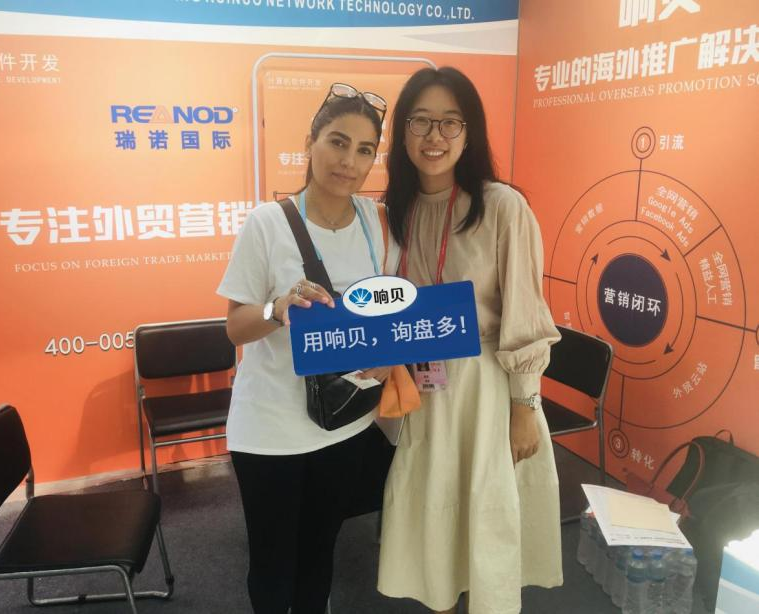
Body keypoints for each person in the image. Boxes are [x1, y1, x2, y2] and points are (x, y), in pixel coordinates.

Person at [377, 67, 563, 614]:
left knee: (485, 513)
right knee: (433, 513)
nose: (434, 136)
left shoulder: (502, 206)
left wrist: (525, 406)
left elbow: (525, 312)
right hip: (423, 388)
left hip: (486, 388)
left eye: (449, 122)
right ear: (403, 133)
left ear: (469, 132)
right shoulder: (394, 212)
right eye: (420, 121)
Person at [217, 83, 391, 614]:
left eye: (364, 150)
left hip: (344, 421)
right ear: (310, 143)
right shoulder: (267, 223)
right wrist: (277, 308)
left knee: (319, 554)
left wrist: (387, 355)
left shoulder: (375, 221)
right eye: (337, 142)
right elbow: (235, 328)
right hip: (270, 428)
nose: (349, 161)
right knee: (273, 566)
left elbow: (385, 308)